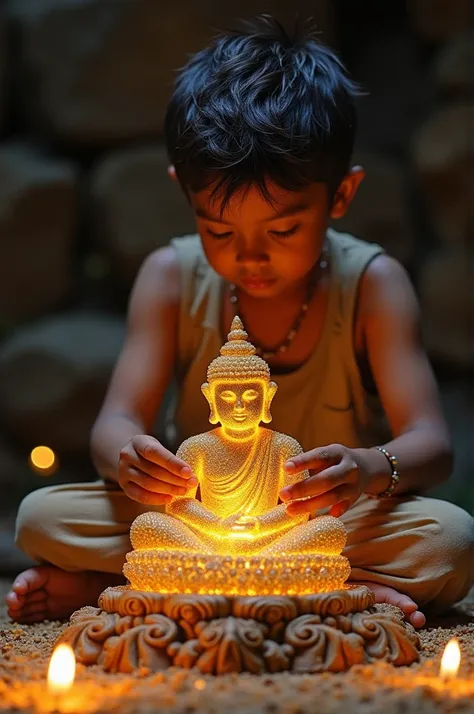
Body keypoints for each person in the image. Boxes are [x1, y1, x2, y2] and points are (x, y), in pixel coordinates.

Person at [6, 15, 473, 626]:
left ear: (340, 197)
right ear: (185, 193)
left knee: (450, 539)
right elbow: (115, 421)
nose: (249, 256)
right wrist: (131, 456)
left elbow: (432, 446)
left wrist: (365, 469)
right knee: (41, 517)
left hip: (321, 522)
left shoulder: (373, 285)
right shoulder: (170, 276)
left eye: (283, 230)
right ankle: (333, 590)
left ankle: (128, 585)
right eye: (219, 231)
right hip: (199, 521)